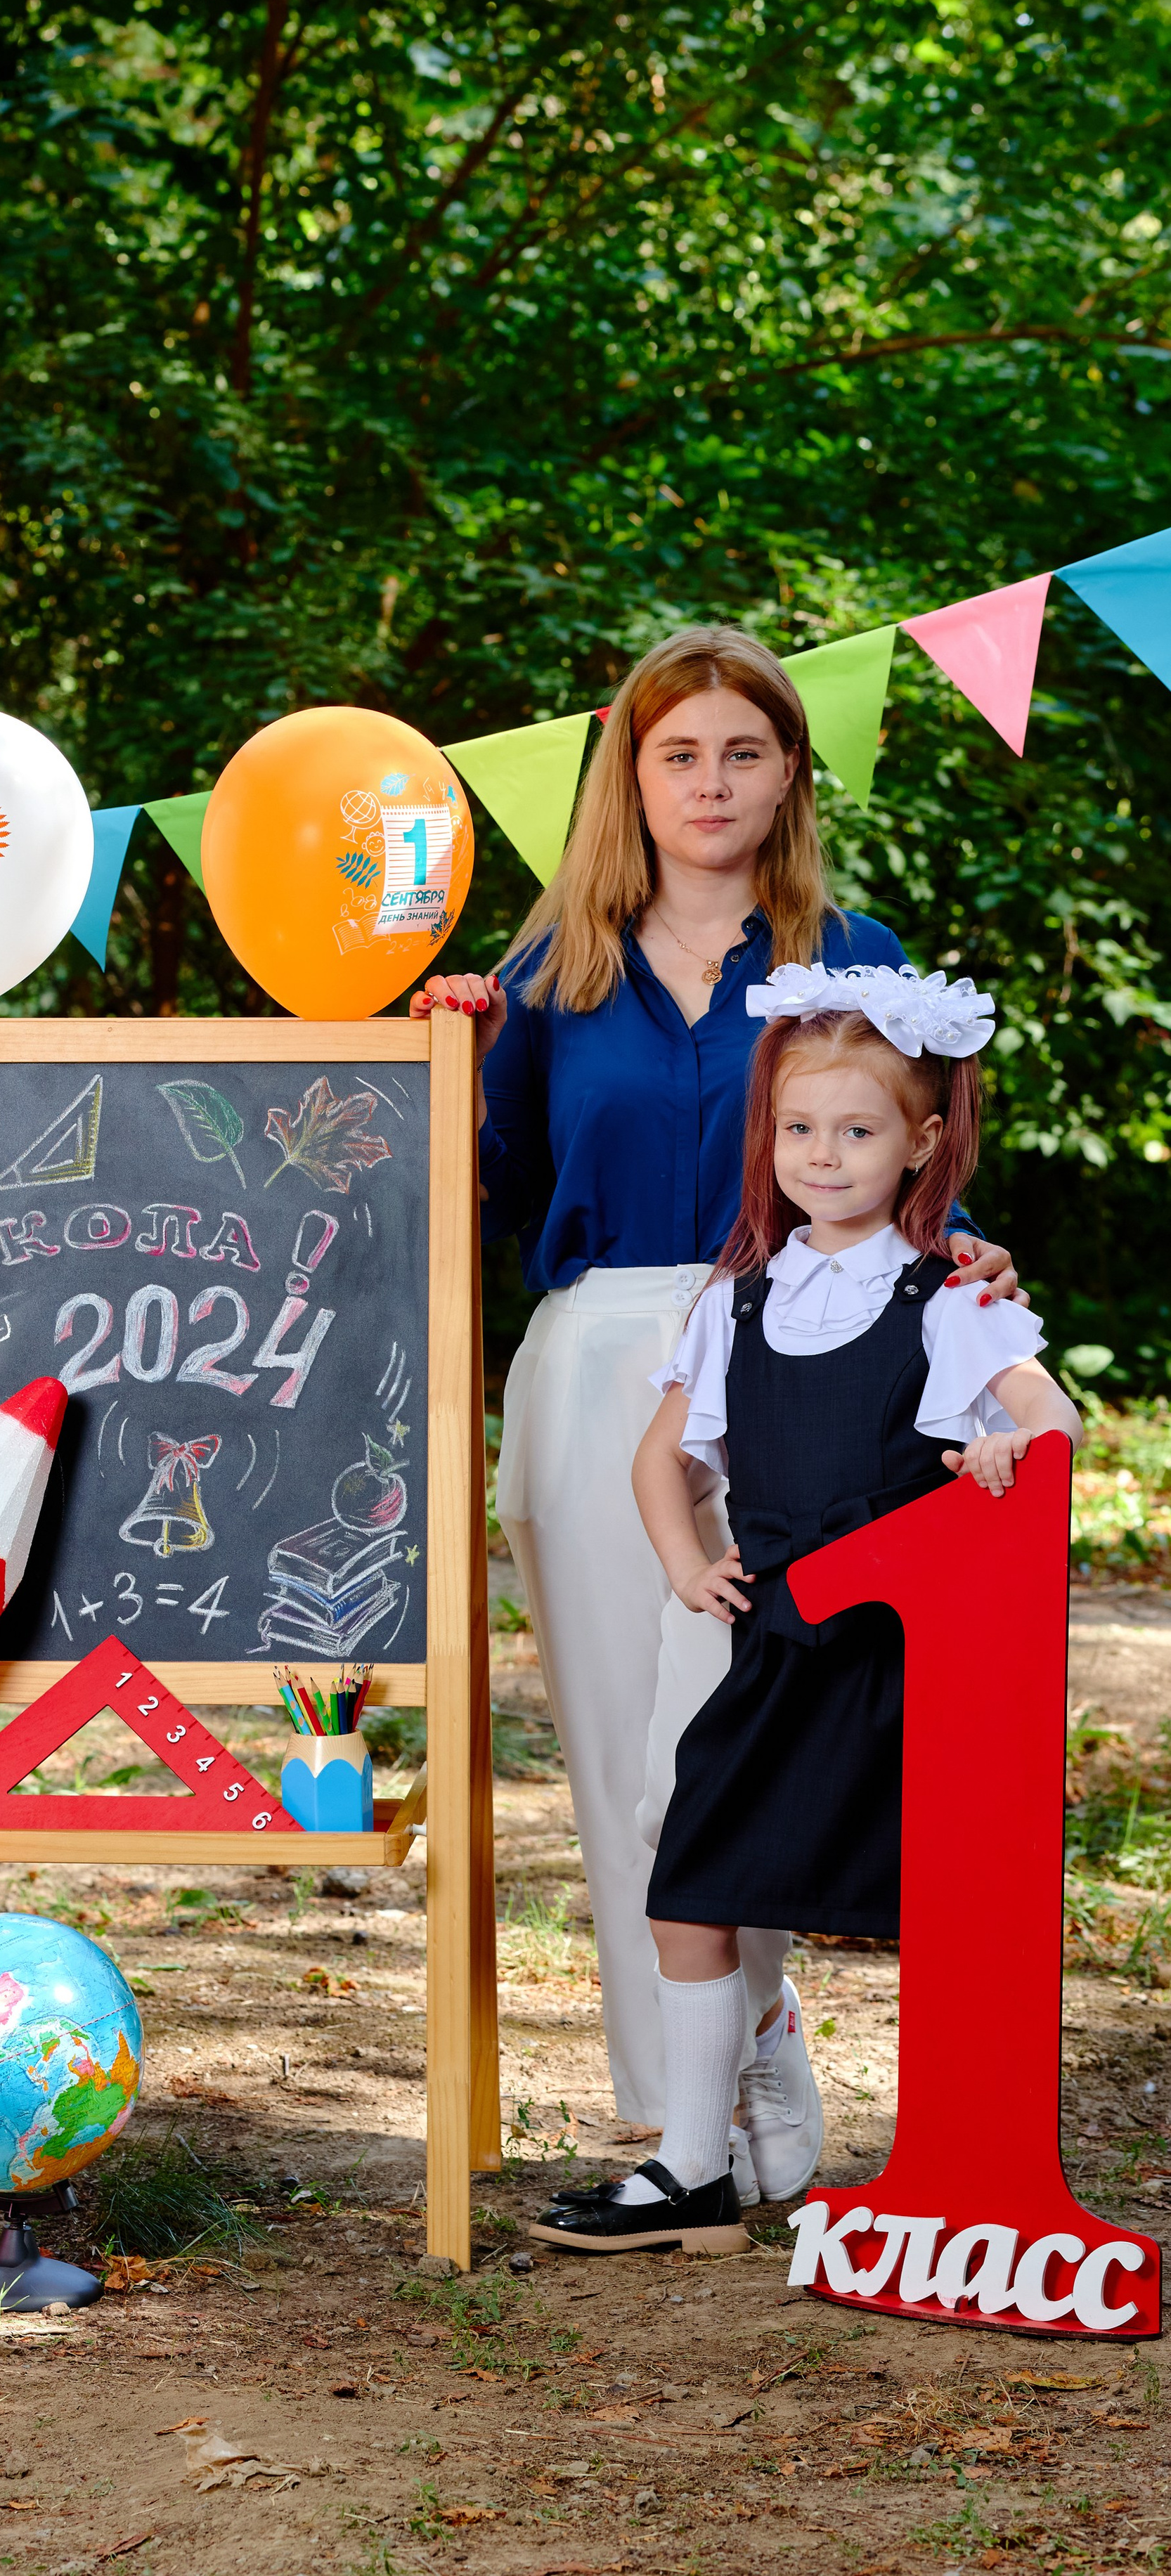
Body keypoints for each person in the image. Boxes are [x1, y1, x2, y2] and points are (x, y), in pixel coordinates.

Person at [412, 626, 1021, 2201]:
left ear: (788, 773)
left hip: (815, 1363)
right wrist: (442, 1058)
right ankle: (701, 2125)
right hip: (603, 1353)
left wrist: (957, 1256)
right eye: (676, 751)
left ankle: (754, 2090)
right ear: (628, 770)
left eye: (740, 751)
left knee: (751, 1736)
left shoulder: (857, 953)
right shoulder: (551, 969)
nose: (709, 781)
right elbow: (464, 1200)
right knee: (631, 1762)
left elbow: (919, 1156)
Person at [524, 962, 1079, 2255]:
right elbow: (663, 1459)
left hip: (903, 1669)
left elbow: (1048, 1436)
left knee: (942, 1911)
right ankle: (690, 2164)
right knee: (689, 1884)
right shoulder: (738, 1301)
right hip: (778, 1649)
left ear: (923, 1142)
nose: (825, 1155)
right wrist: (681, 1560)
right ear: (768, 1135)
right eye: (800, 1128)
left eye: (861, 1129)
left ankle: (969, 2169)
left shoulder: (948, 1302)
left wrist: (995, 1461)